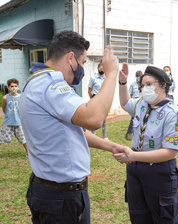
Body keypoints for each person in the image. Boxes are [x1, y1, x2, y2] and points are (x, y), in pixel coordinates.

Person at [19, 30, 130, 224]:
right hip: (60, 198)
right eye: (83, 62)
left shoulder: (38, 82)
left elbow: (74, 131)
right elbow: (94, 118)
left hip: (53, 193)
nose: (82, 68)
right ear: (71, 58)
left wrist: (110, 146)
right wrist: (111, 74)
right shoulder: (50, 86)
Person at [116, 64, 178, 224]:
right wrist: (122, 83)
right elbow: (125, 102)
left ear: (163, 85)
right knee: (139, 215)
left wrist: (133, 155)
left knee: (164, 217)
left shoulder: (174, 115)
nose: (144, 89)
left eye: (149, 84)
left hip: (158, 171)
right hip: (135, 169)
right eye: (142, 85)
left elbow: (170, 152)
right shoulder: (141, 104)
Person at [0, 78, 28, 153]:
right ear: (8, 87)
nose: (14, 88)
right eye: (12, 86)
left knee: (23, 139)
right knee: (1, 138)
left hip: (19, 122)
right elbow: (3, 108)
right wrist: (8, 115)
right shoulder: (5, 97)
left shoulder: (21, 97)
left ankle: (29, 153)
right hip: (8, 122)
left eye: (15, 86)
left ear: (18, 87)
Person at [88, 62, 109, 140]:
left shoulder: (106, 78)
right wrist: (92, 99)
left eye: (103, 68)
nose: (102, 69)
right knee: (94, 117)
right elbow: (89, 90)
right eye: (100, 68)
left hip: (104, 99)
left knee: (104, 118)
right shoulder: (93, 78)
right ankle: (93, 135)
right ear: (97, 68)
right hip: (95, 98)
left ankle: (105, 136)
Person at [125, 70, 142, 140]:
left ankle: (138, 133)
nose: (138, 78)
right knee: (133, 119)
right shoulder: (133, 84)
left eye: (139, 76)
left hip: (141, 103)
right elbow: (130, 95)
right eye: (137, 76)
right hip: (135, 103)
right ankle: (128, 133)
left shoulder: (143, 84)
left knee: (141, 119)